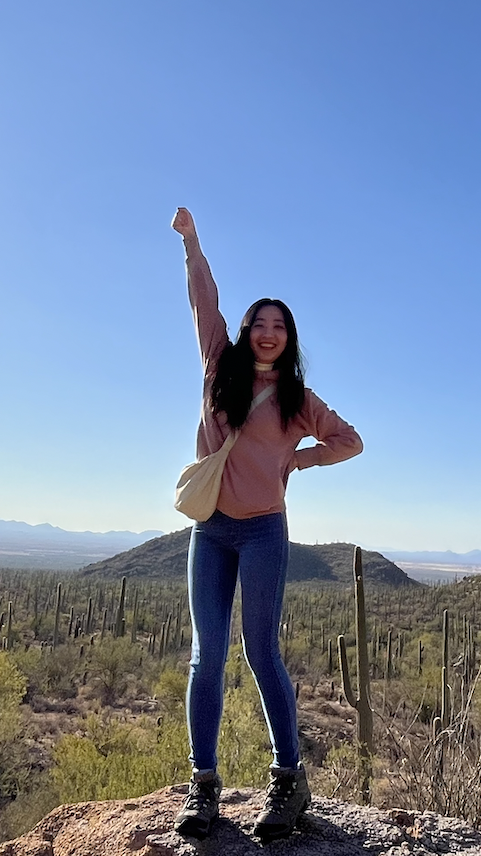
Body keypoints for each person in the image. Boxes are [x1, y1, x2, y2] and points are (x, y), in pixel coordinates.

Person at [170, 206, 364, 840]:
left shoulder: (296, 399)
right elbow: (205, 302)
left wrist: (297, 460)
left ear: (290, 337)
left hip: (262, 533)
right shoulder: (216, 365)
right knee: (206, 657)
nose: (268, 332)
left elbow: (350, 441)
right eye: (260, 322)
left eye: (279, 326)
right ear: (247, 328)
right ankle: (203, 787)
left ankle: (289, 780)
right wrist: (193, 244)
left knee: (261, 653)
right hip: (211, 531)